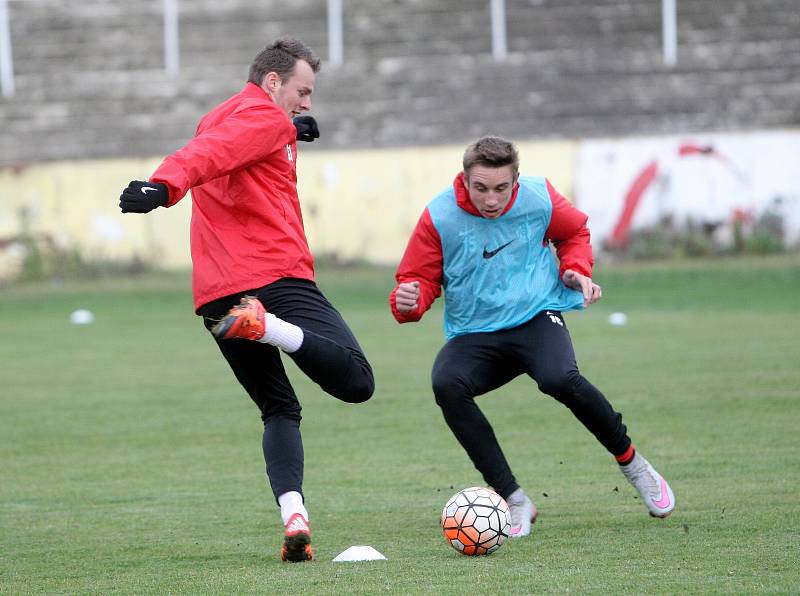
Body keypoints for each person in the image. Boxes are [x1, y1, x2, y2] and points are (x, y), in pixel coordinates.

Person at [118, 37, 374, 562]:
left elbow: (224, 146)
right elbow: (209, 155)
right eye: (302, 92)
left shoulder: (224, 115)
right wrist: (162, 187)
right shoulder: (265, 119)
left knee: (279, 409)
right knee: (356, 381)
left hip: (218, 295)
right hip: (273, 278)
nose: (307, 102)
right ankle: (270, 326)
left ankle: (294, 519)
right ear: (273, 81)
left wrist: (292, 131)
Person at [389, 136, 675, 538]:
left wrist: (575, 270)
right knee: (446, 383)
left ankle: (633, 464)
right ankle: (513, 498)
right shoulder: (439, 215)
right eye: (481, 188)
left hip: (536, 317)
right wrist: (409, 301)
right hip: (475, 334)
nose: (491, 199)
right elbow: (418, 279)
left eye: (501, 188)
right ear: (465, 180)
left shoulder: (540, 198)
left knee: (559, 378)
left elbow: (575, 233)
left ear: (516, 182)